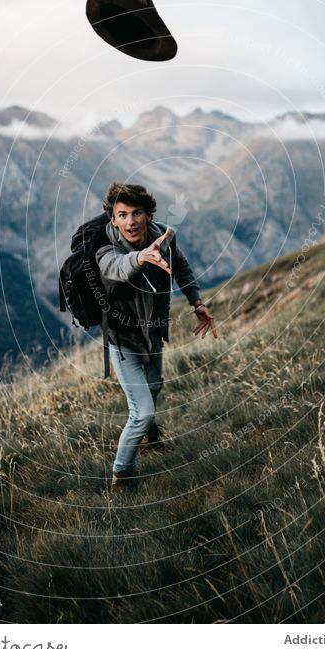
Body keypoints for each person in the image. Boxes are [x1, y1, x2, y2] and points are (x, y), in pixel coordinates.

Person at [95, 181, 217, 491]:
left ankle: (151, 439)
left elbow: (183, 267)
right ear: (112, 218)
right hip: (122, 341)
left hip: (151, 333)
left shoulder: (163, 236)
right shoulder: (103, 246)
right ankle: (122, 475)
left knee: (155, 386)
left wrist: (197, 303)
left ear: (148, 215)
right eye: (122, 215)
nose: (130, 222)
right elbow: (116, 268)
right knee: (142, 410)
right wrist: (141, 258)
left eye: (137, 213)